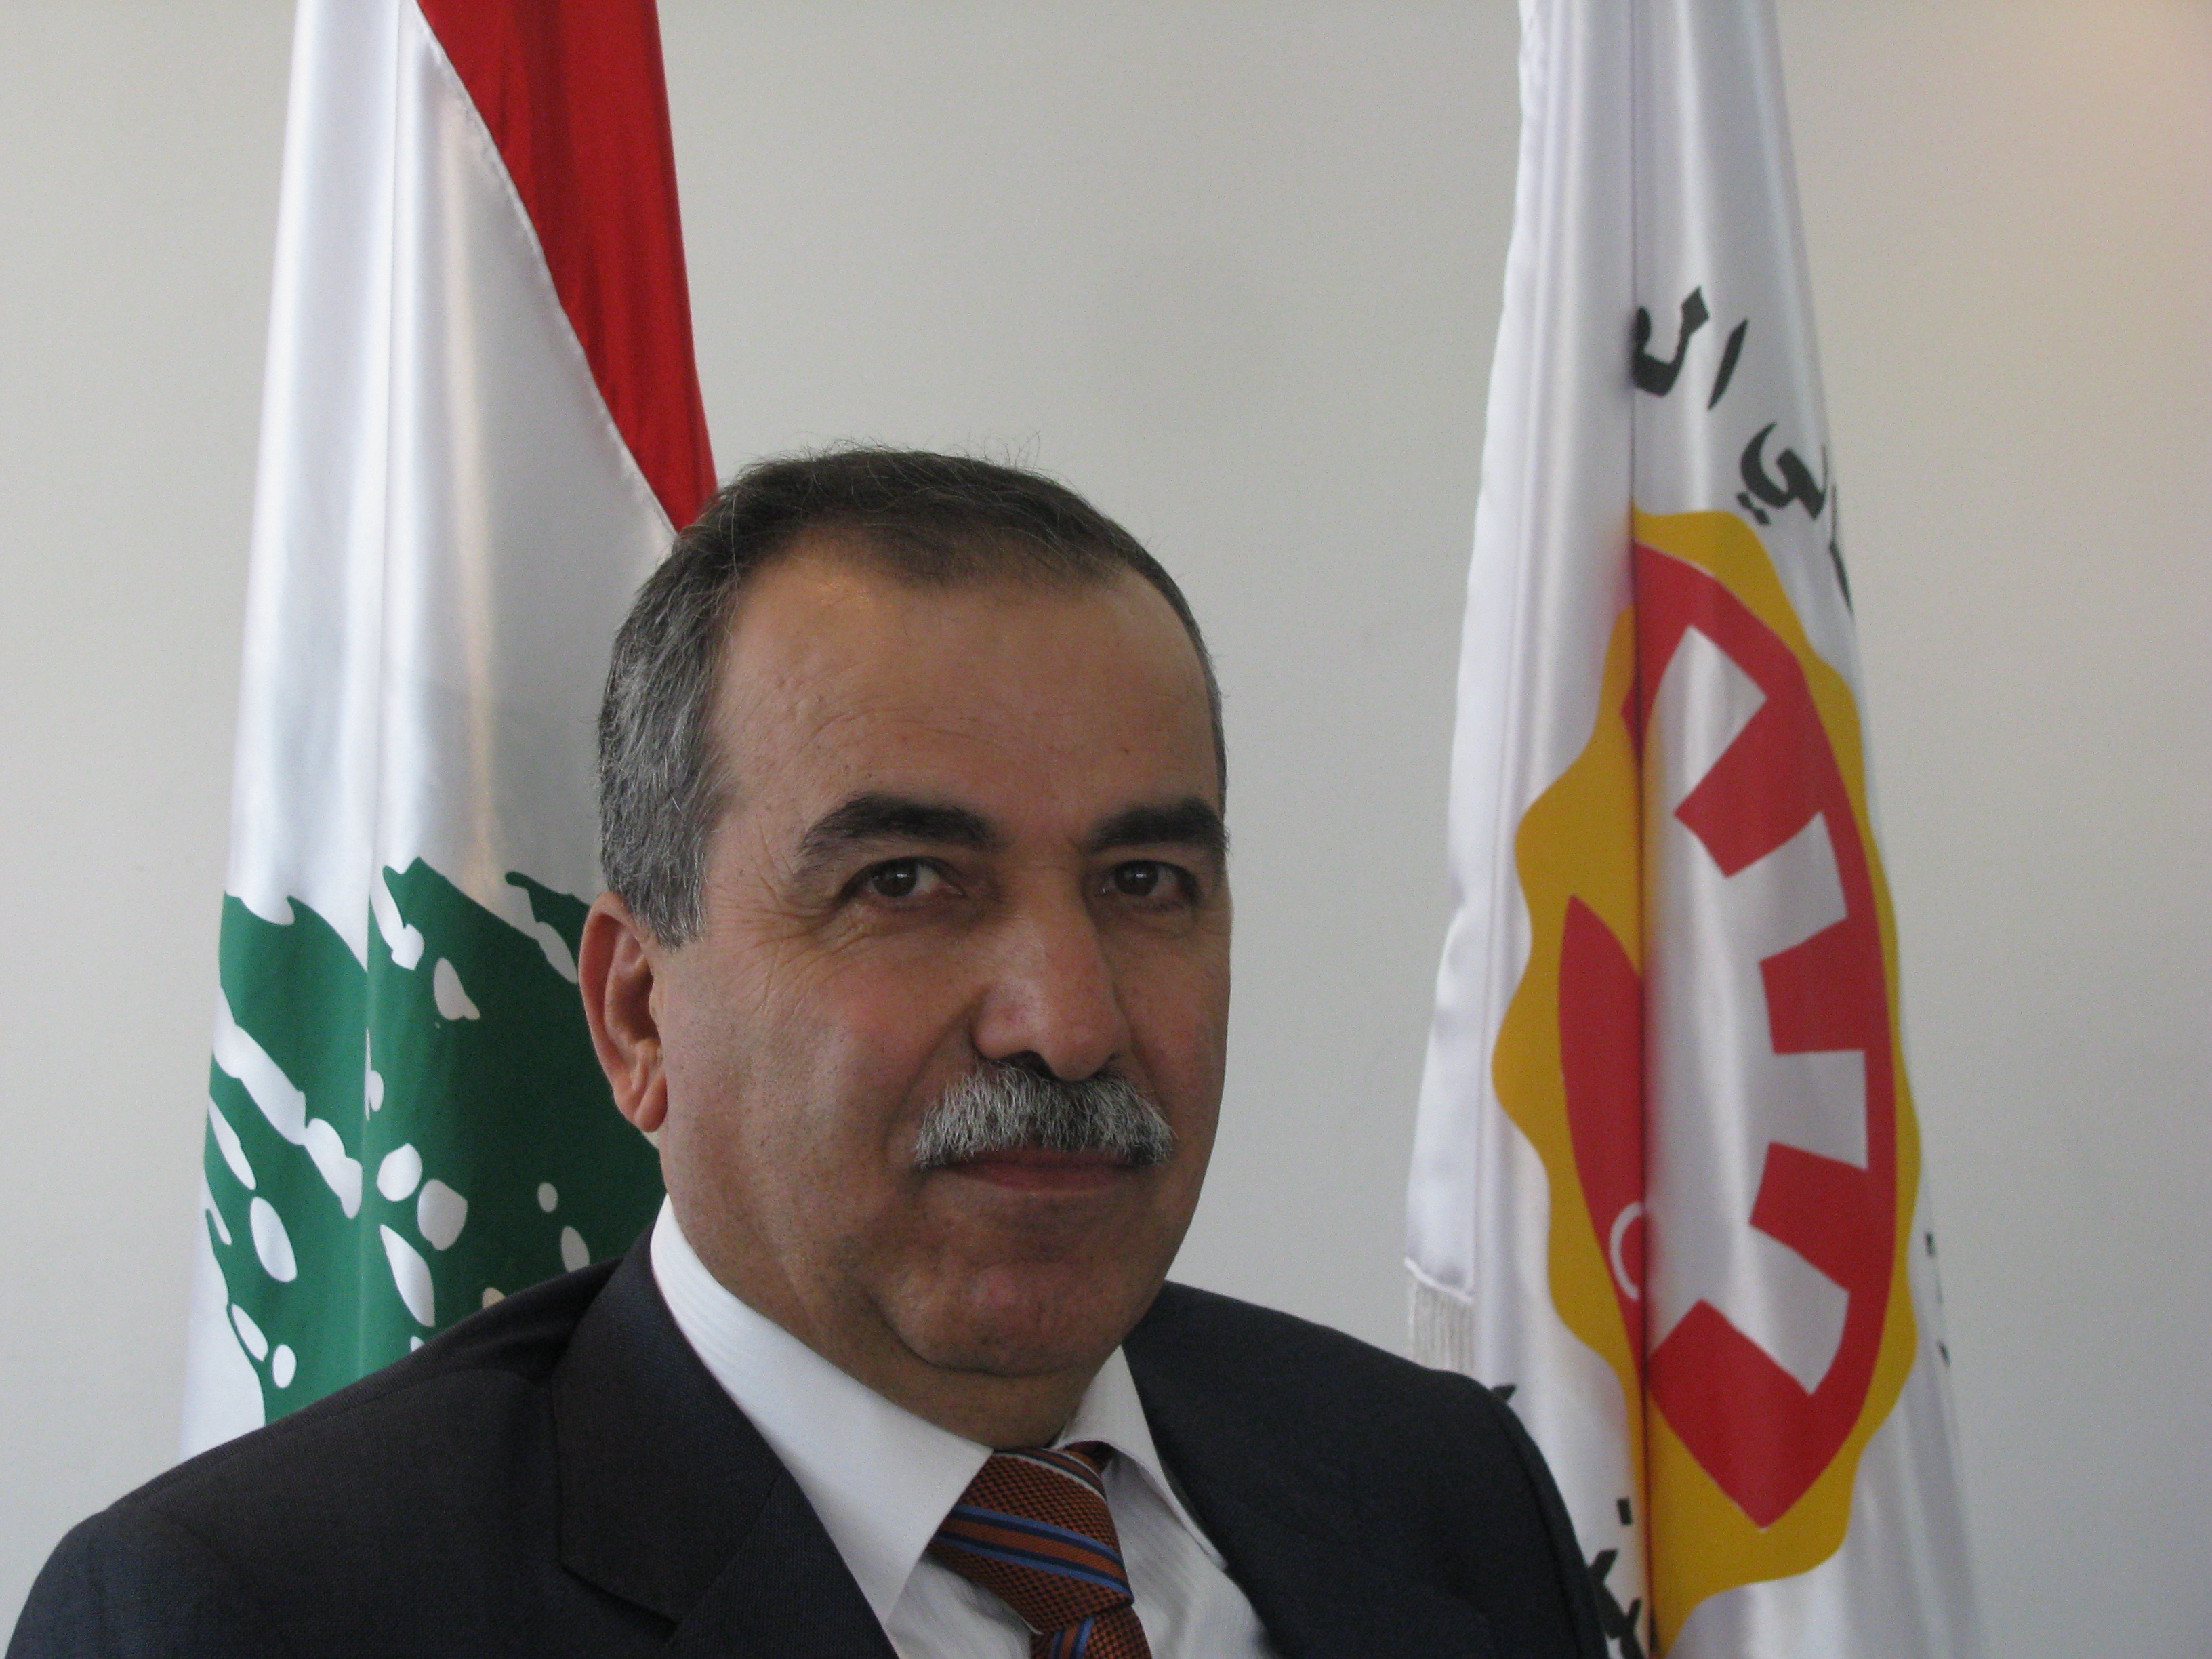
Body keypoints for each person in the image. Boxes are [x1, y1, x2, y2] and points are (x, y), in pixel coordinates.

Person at [12, 450, 1605, 1657]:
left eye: (1142, 883)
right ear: (638, 1015)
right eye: (904, 884)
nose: (1070, 1022)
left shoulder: (1437, 1485)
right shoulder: (254, 1617)